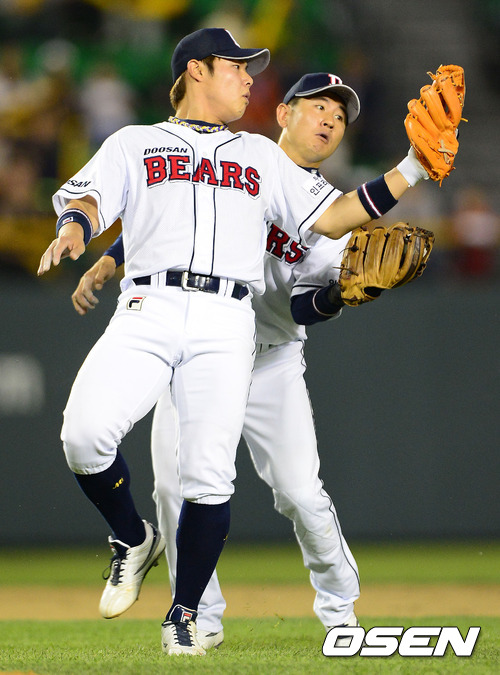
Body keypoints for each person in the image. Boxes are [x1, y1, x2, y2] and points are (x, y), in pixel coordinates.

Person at [37, 27, 434, 657]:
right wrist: (85, 236)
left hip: (242, 331)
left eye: (339, 115)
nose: (250, 77)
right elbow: (112, 199)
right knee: (95, 443)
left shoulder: (262, 160)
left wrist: (412, 167)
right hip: (152, 307)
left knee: (232, 483)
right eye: (238, 66)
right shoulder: (139, 142)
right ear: (197, 70)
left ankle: (203, 614)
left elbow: (332, 223)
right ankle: (141, 548)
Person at [72, 72, 363, 652]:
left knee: (301, 494)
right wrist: (111, 258)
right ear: (284, 114)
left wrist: (336, 295)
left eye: (340, 115)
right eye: (319, 107)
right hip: (187, 348)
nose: (330, 120)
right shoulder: (240, 163)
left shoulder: (335, 216)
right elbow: (173, 218)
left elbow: (304, 308)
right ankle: (198, 617)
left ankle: (340, 610)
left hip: (270, 359)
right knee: (173, 490)